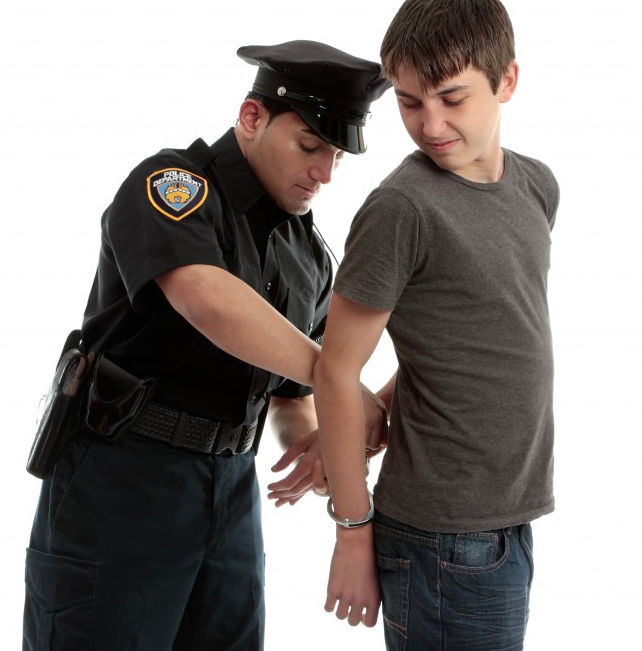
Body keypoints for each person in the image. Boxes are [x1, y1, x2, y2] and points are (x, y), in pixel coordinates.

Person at [23, 40, 392, 651]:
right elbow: (205, 297)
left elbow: (288, 395)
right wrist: (341, 383)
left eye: (334, 156)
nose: (324, 173)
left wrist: (325, 442)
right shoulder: (171, 185)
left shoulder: (308, 254)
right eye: (309, 146)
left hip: (231, 488)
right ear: (252, 118)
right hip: (125, 480)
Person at [313, 0, 560, 650]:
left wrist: (390, 410)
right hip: (440, 537)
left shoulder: (536, 185)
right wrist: (352, 533)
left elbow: (474, 337)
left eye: (452, 98)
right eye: (409, 101)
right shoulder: (403, 209)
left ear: (506, 80)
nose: (430, 125)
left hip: (508, 518)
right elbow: (335, 371)